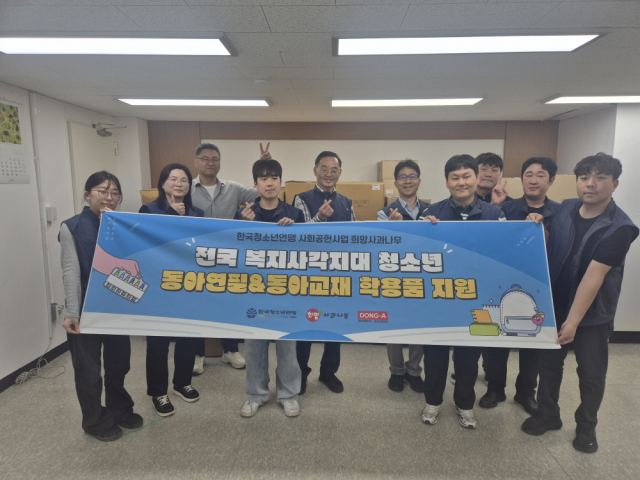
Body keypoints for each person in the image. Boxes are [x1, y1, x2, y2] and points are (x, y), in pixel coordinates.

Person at [522, 153, 638, 453]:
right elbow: (551, 242)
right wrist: (537, 224)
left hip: (593, 314)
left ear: (614, 184)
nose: (591, 184)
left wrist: (572, 322)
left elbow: (594, 276)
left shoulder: (621, 228)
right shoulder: (567, 208)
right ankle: (548, 414)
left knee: (591, 374)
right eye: (585, 177)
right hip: (555, 304)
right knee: (549, 366)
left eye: (600, 178)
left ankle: (587, 426)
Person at [419, 155, 505, 429]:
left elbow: (505, 254)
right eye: (454, 178)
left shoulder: (495, 214)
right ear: (447, 182)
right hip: (439, 298)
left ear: (476, 178)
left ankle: (465, 404)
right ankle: (432, 401)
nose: (461, 182)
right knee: (435, 356)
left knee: (468, 358)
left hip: (475, 299)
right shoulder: (431, 213)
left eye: (466, 176)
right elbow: (416, 256)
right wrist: (422, 230)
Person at [59, 171, 143, 441]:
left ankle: (119, 409)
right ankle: (94, 420)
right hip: (85, 311)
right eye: (102, 191)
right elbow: (70, 271)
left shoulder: (123, 226)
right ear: (87, 195)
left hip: (116, 307)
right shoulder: (72, 227)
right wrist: (72, 312)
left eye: (115, 193)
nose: (109, 197)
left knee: (119, 364)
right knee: (88, 371)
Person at [479, 157, 561, 415]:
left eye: (540, 175)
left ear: (551, 180)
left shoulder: (561, 213)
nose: (533, 180)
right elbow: (488, 241)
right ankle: (495, 389)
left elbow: (559, 249)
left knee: (532, 341)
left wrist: (541, 230)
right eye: (528, 175)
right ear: (522, 178)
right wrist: (494, 207)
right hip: (502, 282)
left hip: (540, 286)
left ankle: (526, 392)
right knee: (498, 339)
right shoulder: (506, 207)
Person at [234, 158, 304, 418]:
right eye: (263, 178)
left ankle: (289, 395)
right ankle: (255, 395)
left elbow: (306, 253)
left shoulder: (294, 214)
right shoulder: (243, 214)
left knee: (287, 347)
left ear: (281, 182)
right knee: (254, 347)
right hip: (253, 290)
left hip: (286, 291)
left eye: (274, 177)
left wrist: (293, 233)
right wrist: (244, 227)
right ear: (255, 184)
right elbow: (234, 252)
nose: (269, 183)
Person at [190, 143, 268, 373]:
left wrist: (264, 166)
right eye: (205, 158)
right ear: (196, 161)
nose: (210, 163)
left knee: (230, 303)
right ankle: (197, 353)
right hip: (195, 256)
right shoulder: (187, 188)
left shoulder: (233, 188)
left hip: (228, 256)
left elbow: (263, 192)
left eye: (215, 159)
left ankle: (230, 350)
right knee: (197, 305)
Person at [140, 163, 204, 417]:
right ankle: (158, 392)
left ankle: (182, 383)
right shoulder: (148, 210)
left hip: (188, 284)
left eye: (184, 180)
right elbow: (147, 244)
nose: (179, 184)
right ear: (163, 182)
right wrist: (171, 216)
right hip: (158, 286)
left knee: (188, 338)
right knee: (158, 343)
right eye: (173, 179)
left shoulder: (197, 213)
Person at [293, 151, 355, 394]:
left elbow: (353, 237)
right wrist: (319, 218)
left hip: (338, 273)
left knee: (335, 324)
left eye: (334, 169)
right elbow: (299, 235)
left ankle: (328, 372)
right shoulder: (301, 198)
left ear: (340, 173)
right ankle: (300, 373)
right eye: (324, 169)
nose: (329, 174)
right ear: (315, 171)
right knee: (305, 324)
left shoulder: (347, 202)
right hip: (309, 273)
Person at [378, 160, 429, 393]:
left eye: (412, 176)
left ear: (419, 180)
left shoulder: (432, 211)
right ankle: (396, 371)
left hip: (424, 278)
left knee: (420, 325)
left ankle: (414, 370)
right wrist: (392, 230)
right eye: (402, 177)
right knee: (395, 326)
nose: (408, 181)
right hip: (395, 279)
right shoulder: (385, 213)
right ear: (396, 183)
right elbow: (380, 247)